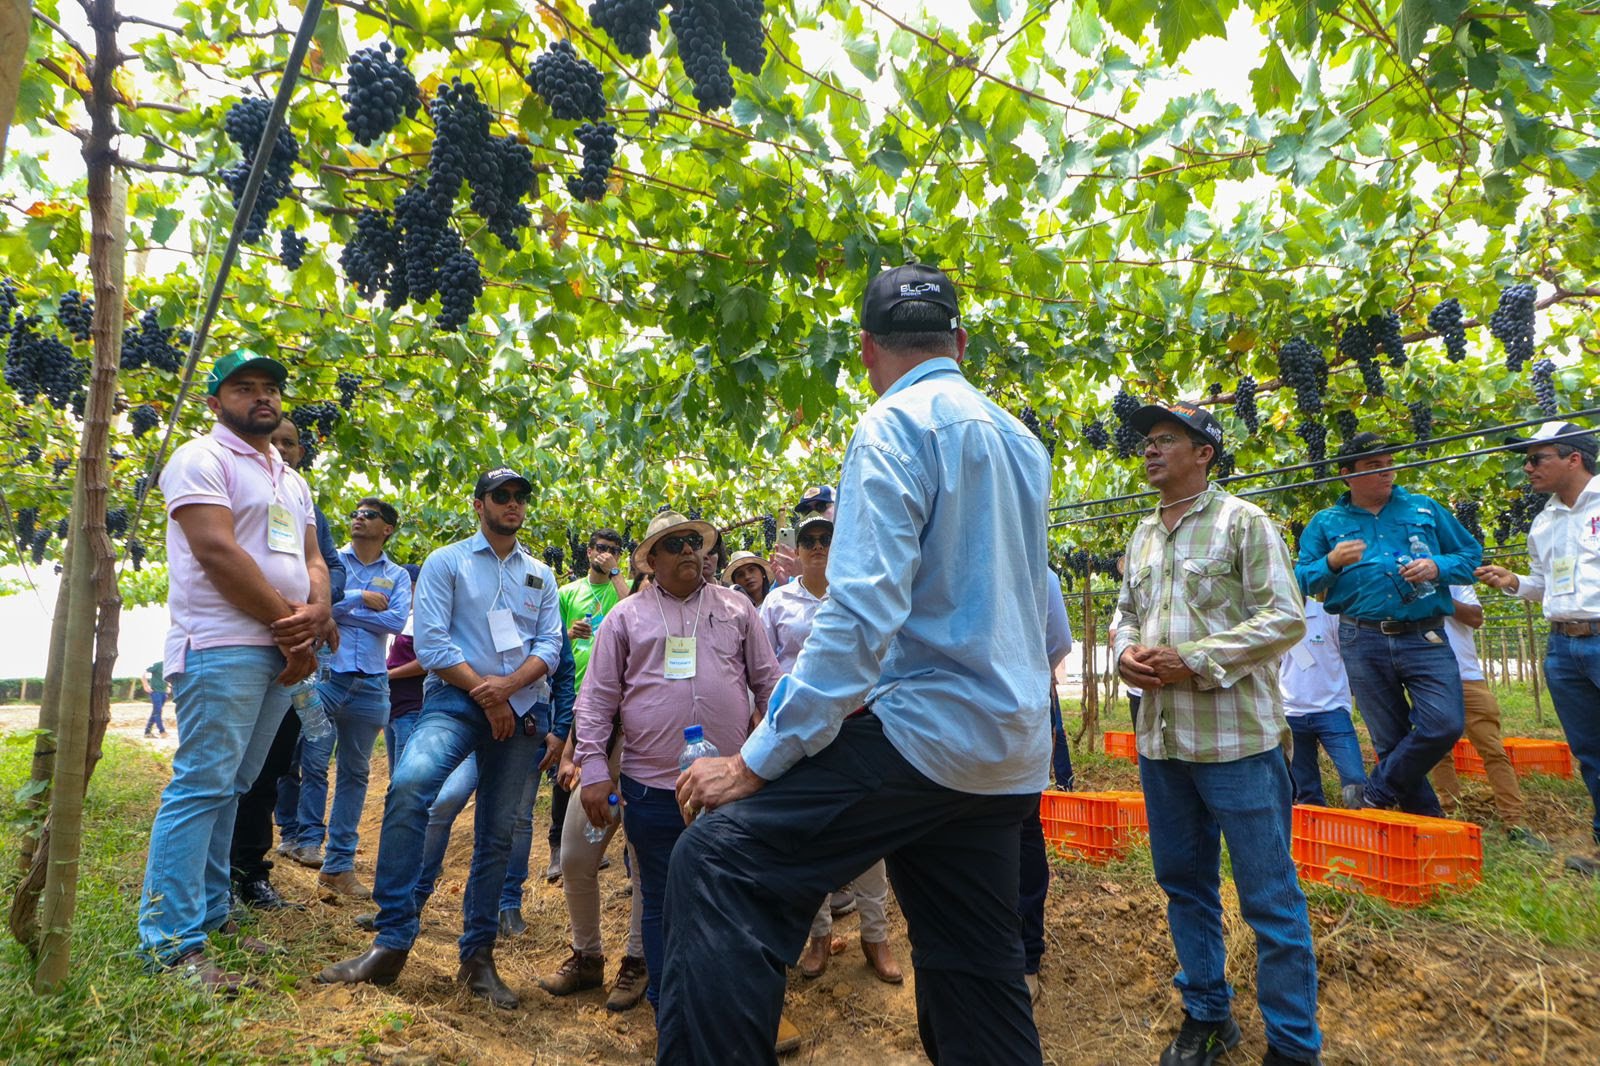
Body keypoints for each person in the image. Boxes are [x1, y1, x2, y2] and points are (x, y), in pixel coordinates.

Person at [661, 265, 1052, 1065]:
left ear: (867, 349)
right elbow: (1034, 601)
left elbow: (861, 617)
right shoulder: (1023, 444)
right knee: (978, 970)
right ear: (961, 343)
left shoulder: (895, 424)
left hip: (925, 735)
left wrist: (759, 760)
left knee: (718, 862)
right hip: (1009, 754)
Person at [1113, 399, 1319, 1066]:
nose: (1150, 450)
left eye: (1166, 439)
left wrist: (1196, 658)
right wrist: (1123, 653)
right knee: (1184, 884)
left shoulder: (1244, 523)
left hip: (1237, 747)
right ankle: (1207, 1014)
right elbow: (1125, 614)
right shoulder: (1142, 535)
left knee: (1270, 897)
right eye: (1147, 440)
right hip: (1163, 743)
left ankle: (1293, 1043)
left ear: (1204, 452)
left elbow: (1285, 617)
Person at [316, 467, 564, 1009]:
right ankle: (392, 939)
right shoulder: (446, 562)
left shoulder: (540, 575)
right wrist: (487, 694)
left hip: (522, 710)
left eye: (521, 497)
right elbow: (429, 643)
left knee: (498, 833)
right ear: (479, 505)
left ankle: (477, 957)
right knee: (411, 786)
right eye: (502, 496)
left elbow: (550, 646)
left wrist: (509, 692)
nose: (513, 505)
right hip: (456, 699)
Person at [137, 349, 331, 991]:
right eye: (244, 388)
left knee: (235, 786)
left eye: (271, 388)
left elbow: (313, 559)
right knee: (201, 785)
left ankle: (213, 918)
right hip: (222, 645)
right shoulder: (201, 458)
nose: (262, 397)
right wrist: (292, 626)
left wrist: (317, 609)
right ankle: (170, 942)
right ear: (216, 403)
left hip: (281, 649)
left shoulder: (290, 478)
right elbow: (216, 551)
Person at [573, 509, 783, 1025]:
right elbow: (597, 699)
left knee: (737, 895)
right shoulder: (626, 617)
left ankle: (740, 1008)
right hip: (652, 789)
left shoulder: (736, 608)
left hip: (731, 785)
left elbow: (771, 685)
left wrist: (774, 754)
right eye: (674, 544)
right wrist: (594, 768)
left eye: (694, 540)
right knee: (663, 899)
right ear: (651, 560)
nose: (689, 549)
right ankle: (673, 1011)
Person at [1296, 431, 1480, 815]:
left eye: (1389, 465)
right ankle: (1425, 822)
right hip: (1360, 637)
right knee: (1389, 737)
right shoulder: (1326, 523)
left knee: (1444, 724)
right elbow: (1298, 579)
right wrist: (1330, 563)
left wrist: (1437, 566)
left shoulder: (1424, 509)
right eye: (1373, 467)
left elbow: (1470, 554)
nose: (1387, 473)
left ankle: (1376, 791)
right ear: (1347, 475)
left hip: (1424, 633)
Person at [761, 511, 902, 985]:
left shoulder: (857, 598)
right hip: (800, 735)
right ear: (796, 551)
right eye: (810, 540)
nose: (819, 546)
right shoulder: (776, 603)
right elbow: (762, 672)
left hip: (858, 726)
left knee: (869, 832)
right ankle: (818, 937)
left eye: (827, 538)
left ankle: (875, 936)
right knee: (811, 834)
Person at [229, 415, 346, 912]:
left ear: (301, 451)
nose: (281, 448)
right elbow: (223, 559)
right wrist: (294, 616)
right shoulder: (233, 485)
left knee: (269, 768)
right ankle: (214, 885)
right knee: (223, 773)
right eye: (274, 439)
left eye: (290, 442)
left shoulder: (301, 499)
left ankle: (249, 874)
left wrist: (318, 608)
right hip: (242, 647)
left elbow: (329, 565)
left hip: (292, 661)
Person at [1476, 421, 1600, 875]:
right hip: (1564, 647)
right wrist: (1514, 583)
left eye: (1536, 458)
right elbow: (1545, 585)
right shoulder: (1543, 522)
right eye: (1526, 460)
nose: (1527, 468)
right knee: (1589, 750)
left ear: (1574, 458)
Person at [291, 498, 412, 898]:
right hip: (324, 678)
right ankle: (306, 839)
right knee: (312, 758)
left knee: (355, 775)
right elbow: (317, 608)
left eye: (369, 515)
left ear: (388, 528)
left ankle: (338, 865)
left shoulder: (397, 574)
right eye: (355, 513)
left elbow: (396, 621)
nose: (358, 519)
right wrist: (358, 597)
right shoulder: (331, 564)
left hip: (373, 684)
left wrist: (338, 612)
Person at [1426, 585, 1549, 848]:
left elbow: (1475, 617)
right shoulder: (1404, 579)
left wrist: (1436, 594)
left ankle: (1514, 822)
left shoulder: (1457, 581)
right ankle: (1451, 817)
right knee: (1439, 753)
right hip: (1429, 681)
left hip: (1468, 678)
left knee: (1493, 750)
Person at [546, 528, 630, 882]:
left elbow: (634, 608)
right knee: (566, 773)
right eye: (599, 548)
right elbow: (549, 642)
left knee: (615, 774)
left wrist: (615, 574)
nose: (604, 553)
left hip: (615, 697)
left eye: (612, 550)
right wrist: (569, 634)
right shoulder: (568, 592)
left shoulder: (618, 589)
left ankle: (600, 847)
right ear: (588, 549)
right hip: (574, 692)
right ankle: (558, 851)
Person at [1021, 567, 1073, 1004]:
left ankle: (1026, 954)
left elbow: (1059, 643)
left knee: (1021, 832)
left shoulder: (1043, 575)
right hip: (987, 723)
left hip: (1019, 719)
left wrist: (1028, 673)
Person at [1278, 596, 1366, 807]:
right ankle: (1317, 836)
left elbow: (1352, 655)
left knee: (1355, 780)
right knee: (1306, 789)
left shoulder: (1328, 614)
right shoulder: (1276, 618)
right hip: (1292, 712)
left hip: (1332, 710)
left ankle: (1363, 830)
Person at [384, 563, 425, 770]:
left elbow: (426, 662)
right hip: (390, 706)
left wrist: (390, 674)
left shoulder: (422, 618)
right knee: (396, 774)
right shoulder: (397, 618)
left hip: (411, 705)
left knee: (404, 773)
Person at [769, 485, 835, 584]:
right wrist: (788, 582)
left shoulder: (855, 548)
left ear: (837, 507)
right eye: (806, 511)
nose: (813, 513)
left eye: (820, 507)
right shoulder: (800, 556)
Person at [142, 660, 171, 737]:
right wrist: (145, 685)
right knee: (158, 712)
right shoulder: (158, 665)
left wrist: (168, 686)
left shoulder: (170, 666)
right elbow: (143, 673)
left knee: (155, 712)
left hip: (164, 693)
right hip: (155, 692)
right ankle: (162, 731)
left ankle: (147, 732)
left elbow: (167, 678)